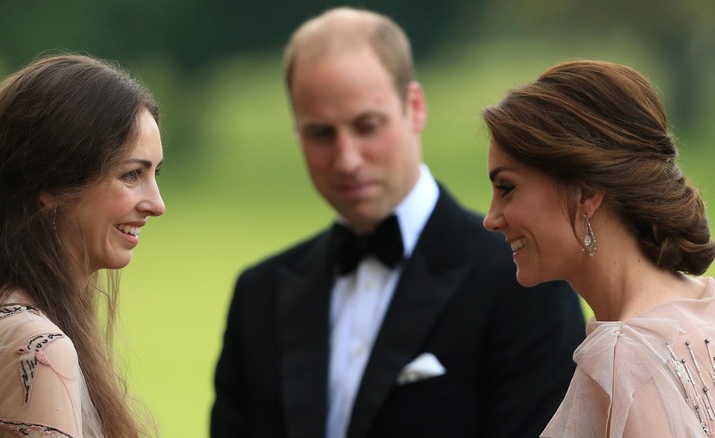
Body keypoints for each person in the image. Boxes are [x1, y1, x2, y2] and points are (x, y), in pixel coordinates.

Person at [211, 7, 585, 438]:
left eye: (367, 126)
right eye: (320, 134)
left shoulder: (525, 280)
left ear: (415, 107)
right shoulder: (259, 293)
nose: (347, 159)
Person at [0, 54, 165, 437]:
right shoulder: (36, 347)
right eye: (131, 175)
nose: (157, 205)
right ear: (52, 184)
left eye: (155, 174)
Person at [482, 59, 715, 437]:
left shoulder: (624, 355)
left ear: (586, 192)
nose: (491, 219)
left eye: (507, 188)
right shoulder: (708, 305)